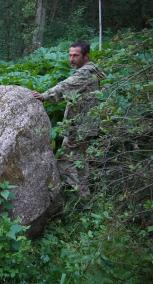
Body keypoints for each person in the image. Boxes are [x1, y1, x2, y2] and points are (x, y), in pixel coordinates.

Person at [32, 41, 106, 196]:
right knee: (80, 159)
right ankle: (84, 195)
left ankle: (77, 194)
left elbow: (65, 86)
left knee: (66, 159)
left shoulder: (84, 73)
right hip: (86, 124)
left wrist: (44, 96)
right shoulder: (94, 69)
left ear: (86, 56)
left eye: (75, 55)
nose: (71, 59)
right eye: (70, 55)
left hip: (79, 126)